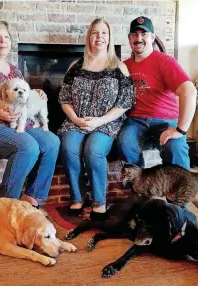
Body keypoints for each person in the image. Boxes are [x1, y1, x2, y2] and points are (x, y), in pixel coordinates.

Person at [0, 19, 60, 208]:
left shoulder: (13, 70)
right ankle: (5, 205)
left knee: (51, 141)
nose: (3, 41)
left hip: (16, 125)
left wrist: (36, 94)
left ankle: (31, 199)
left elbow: (23, 99)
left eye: (6, 37)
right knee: (28, 146)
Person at [58, 18, 135, 220]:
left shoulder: (119, 67)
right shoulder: (75, 66)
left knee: (93, 150)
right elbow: (64, 99)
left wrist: (99, 121)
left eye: (103, 33)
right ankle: (78, 198)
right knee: (68, 147)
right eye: (95, 33)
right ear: (89, 37)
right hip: (76, 120)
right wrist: (75, 119)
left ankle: (99, 202)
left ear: (109, 38)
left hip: (107, 122)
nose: (99, 37)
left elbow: (125, 103)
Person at [116, 16, 197, 171]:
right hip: (136, 121)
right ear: (129, 38)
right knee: (124, 143)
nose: (138, 38)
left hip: (165, 121)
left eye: (144, 34)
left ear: (152, 37)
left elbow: (189, 91)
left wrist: (180, 130)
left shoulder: (165, 61)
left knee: (176, 148)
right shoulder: (124, 66)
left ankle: (181, 193)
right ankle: (141, 188)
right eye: (134, 34)